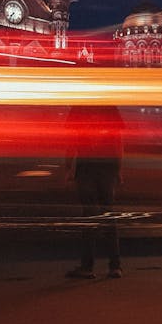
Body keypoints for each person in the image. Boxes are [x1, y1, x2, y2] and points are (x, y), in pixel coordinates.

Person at [65, 103, 124, 280]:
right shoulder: (109, 107)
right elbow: (118, 139)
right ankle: (115, 267)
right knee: (109, 215)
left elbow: (72, 139)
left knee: (89, 216)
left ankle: (87, 267)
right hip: (108, 166)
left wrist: (68, 167)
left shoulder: (79, 107)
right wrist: (119, 169)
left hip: (87, 167)